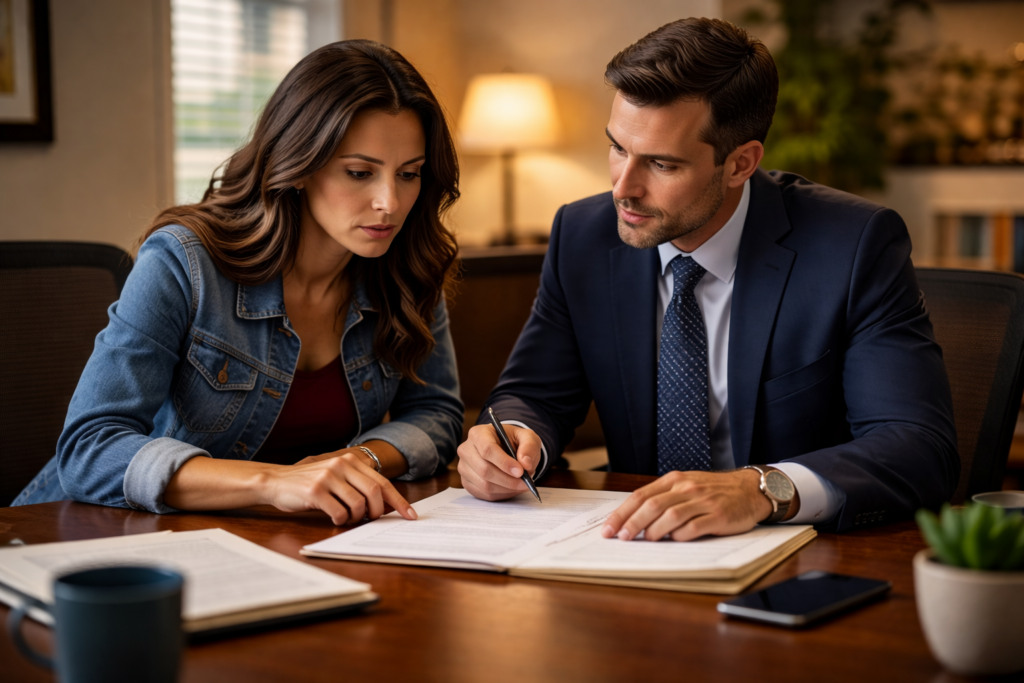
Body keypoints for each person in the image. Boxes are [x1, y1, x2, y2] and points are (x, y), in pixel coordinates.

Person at [456, 18, 958, 539]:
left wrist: (762, 489)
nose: (623, 189)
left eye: (662, 165)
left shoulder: (853, 246)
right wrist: (513, 436)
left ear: (741, 163)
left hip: (794, 557)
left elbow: (917, 446)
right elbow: (535, 393)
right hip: (627, 546)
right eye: (617, 148)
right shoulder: (582, 236)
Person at [14, 40, 464, 525]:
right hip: (85, 538)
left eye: (409, 174)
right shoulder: (184, 262)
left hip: (287, 541)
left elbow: (437, 413)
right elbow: (89, 448)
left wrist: (362, 459)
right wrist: (272, 482)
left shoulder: (407, 266)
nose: (389, 203)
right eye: (359, 172)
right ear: (299, 164)